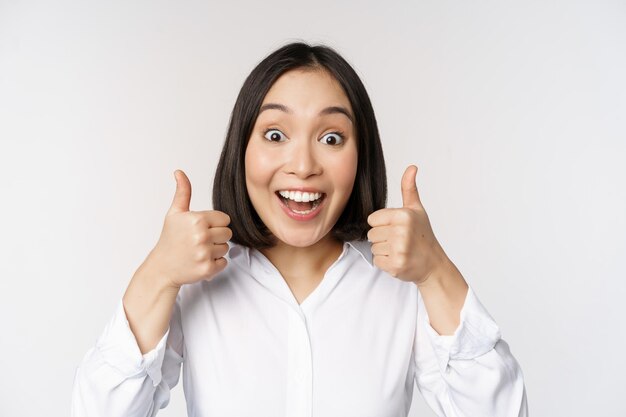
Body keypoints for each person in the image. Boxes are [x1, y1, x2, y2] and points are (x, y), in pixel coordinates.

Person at [71, 41, 528, 417]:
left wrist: (436, 272)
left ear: (360, 155)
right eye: (275, 134)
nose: (304, 166)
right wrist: (157, 276)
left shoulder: (402, 289)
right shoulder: (195, 286)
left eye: (331, 138)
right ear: (241, 149)